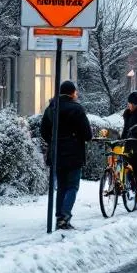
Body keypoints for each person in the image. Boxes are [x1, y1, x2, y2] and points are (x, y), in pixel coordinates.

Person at [39, 80, 93, 230]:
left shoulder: (51, 108)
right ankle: (64, 216)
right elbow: (87, 134)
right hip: (73, 153)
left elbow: (43, 131)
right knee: (72, 186)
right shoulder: (76, 109)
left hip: (56, 153)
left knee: (62, 185)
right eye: (75, 92)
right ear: (72, 92)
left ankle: (58, 216)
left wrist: (54, 141)